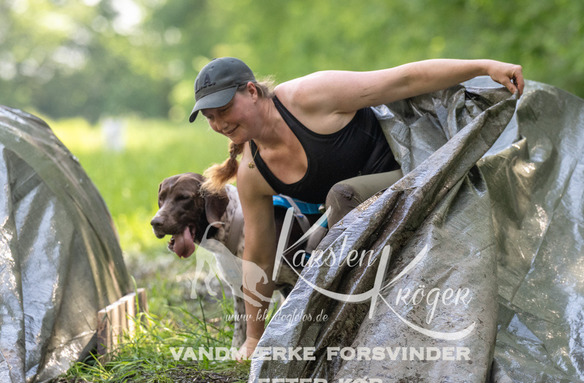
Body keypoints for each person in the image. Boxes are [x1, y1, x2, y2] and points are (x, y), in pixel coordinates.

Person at [189, 57, 524, 358]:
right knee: (317, 245)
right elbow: (259, 258)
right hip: (366, 221)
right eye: (210, 117)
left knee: (340, 200)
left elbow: (403, 80)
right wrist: (254, 338)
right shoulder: (252, 172)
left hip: (419, 175)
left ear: (251, 91)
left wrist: (483, 67)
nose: (220, 124)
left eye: (224, 109)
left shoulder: (308, 97)